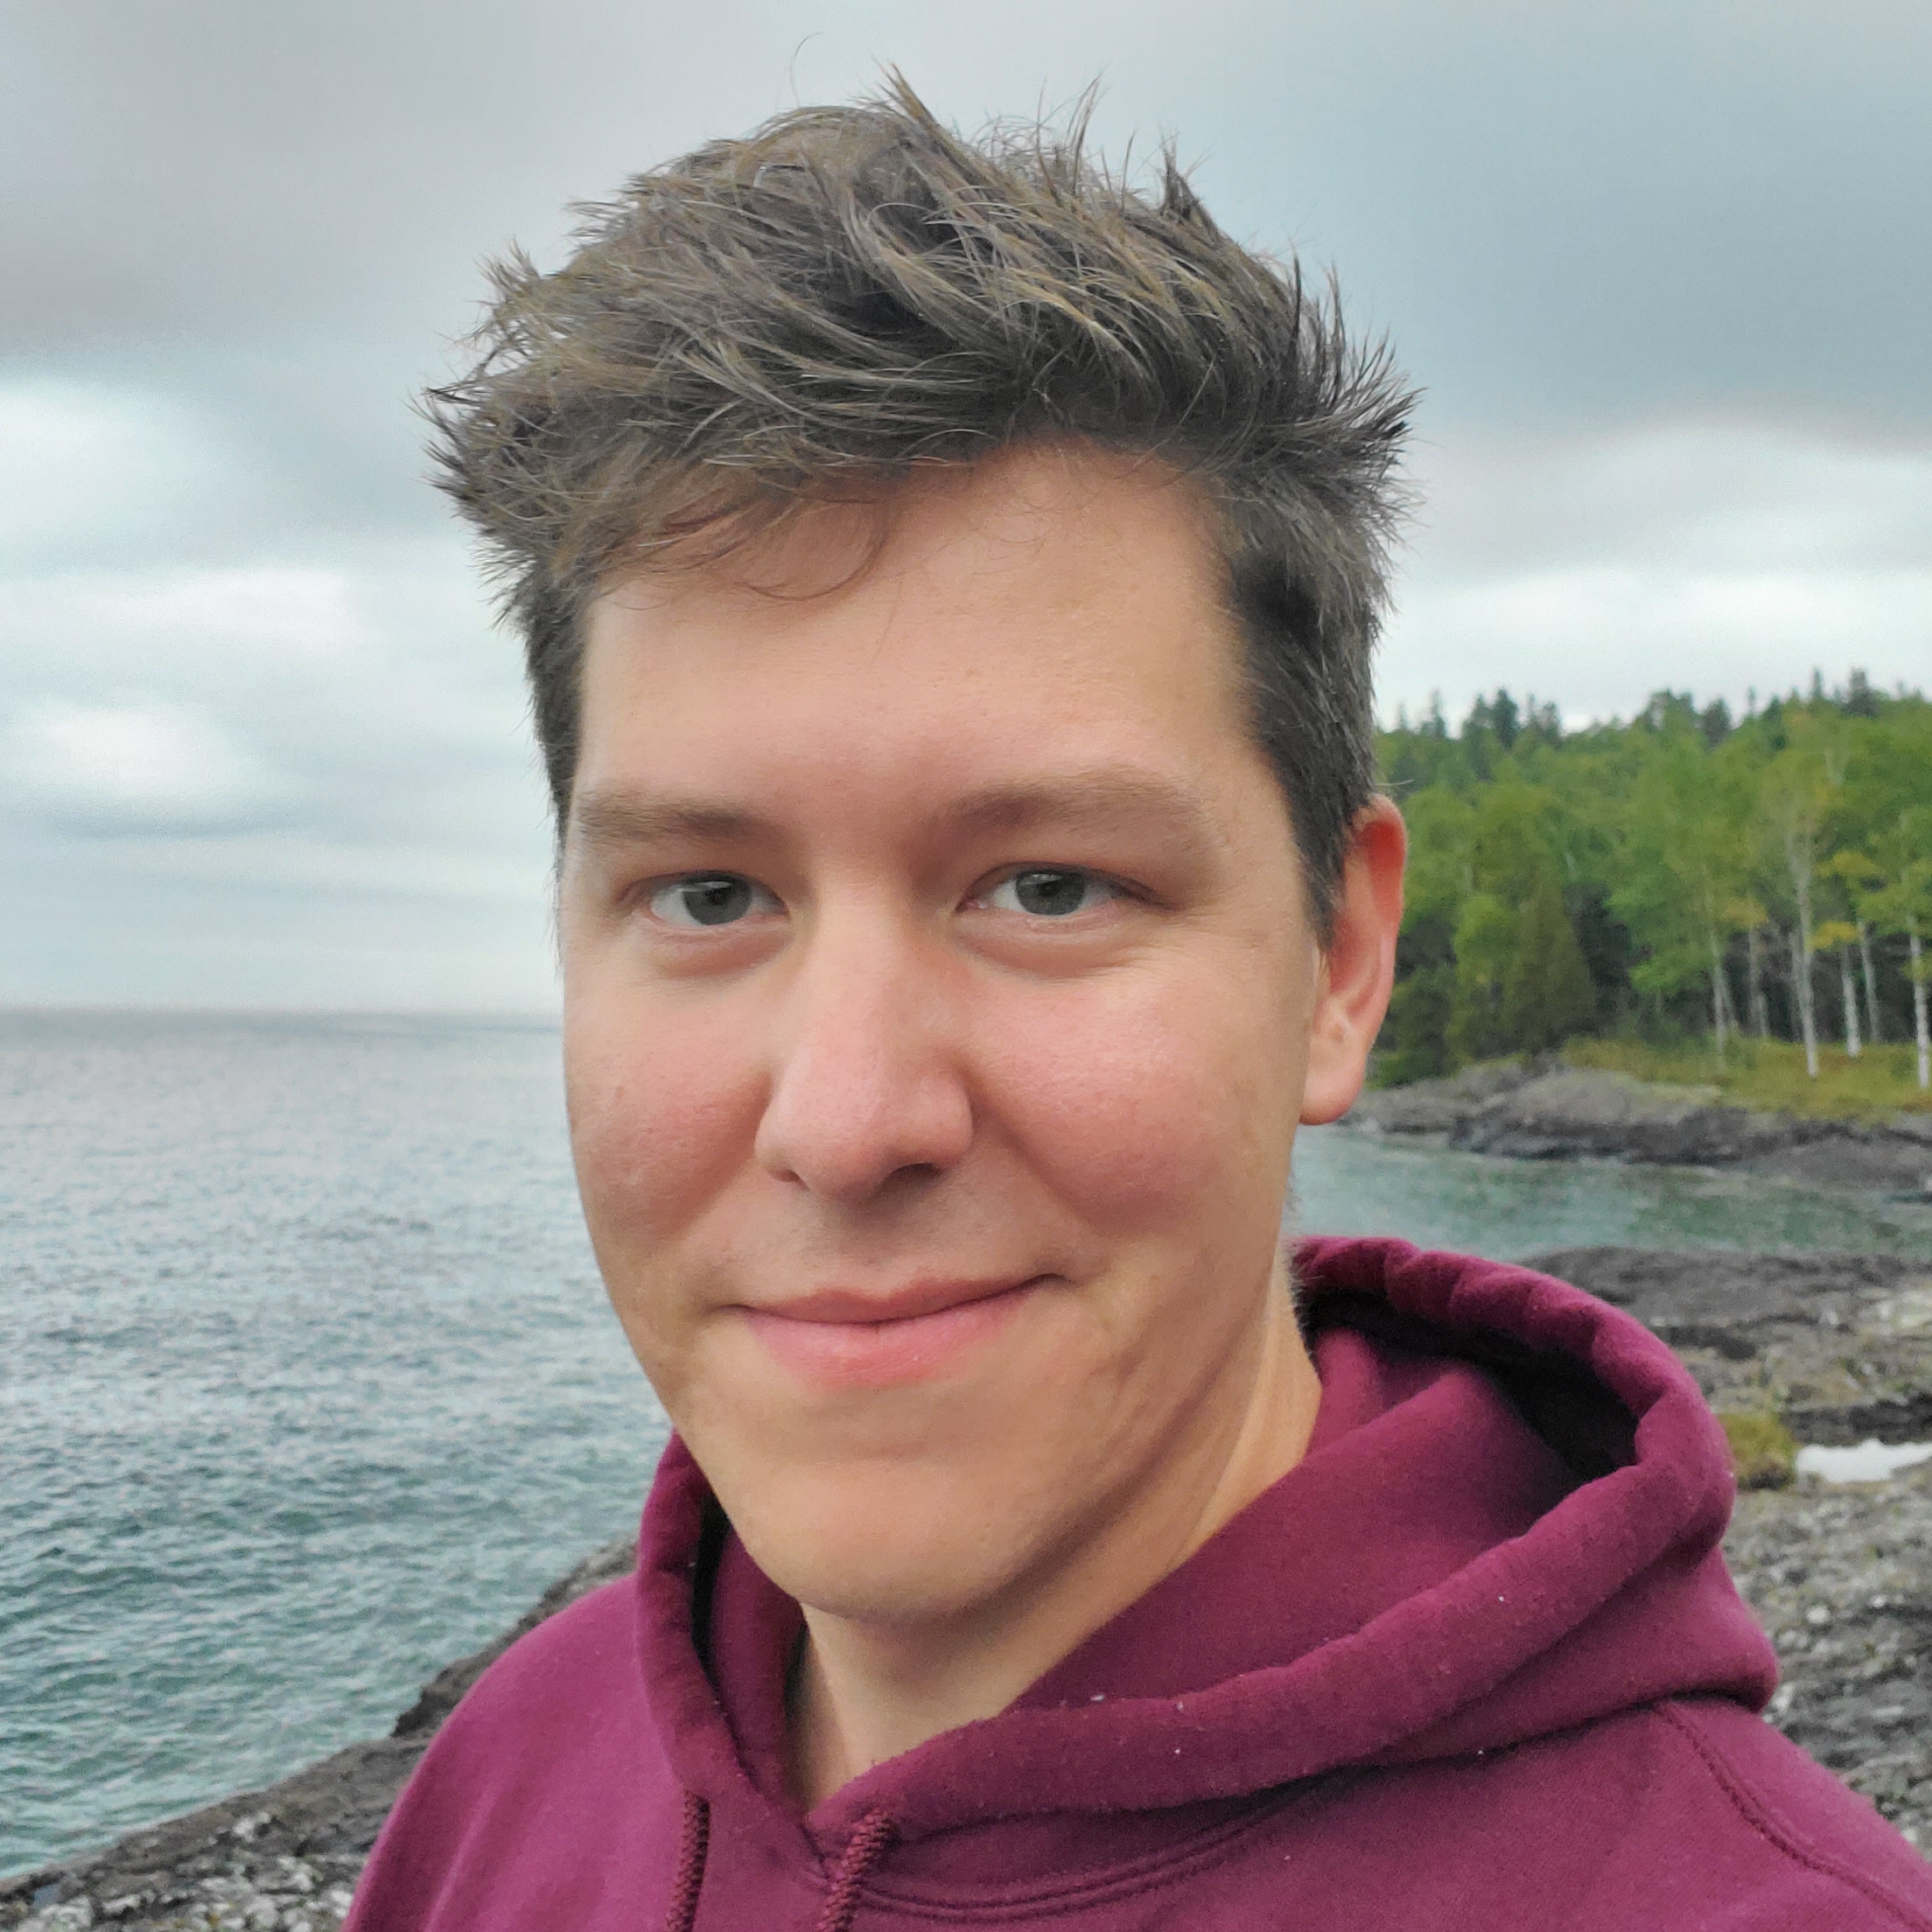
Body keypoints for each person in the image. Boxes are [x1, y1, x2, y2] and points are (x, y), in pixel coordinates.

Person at [345, 83, 1932, 1932]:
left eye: (1049, 887)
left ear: (1339, 961)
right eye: (709, 896)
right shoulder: (509, 1783)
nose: (845, 1123)